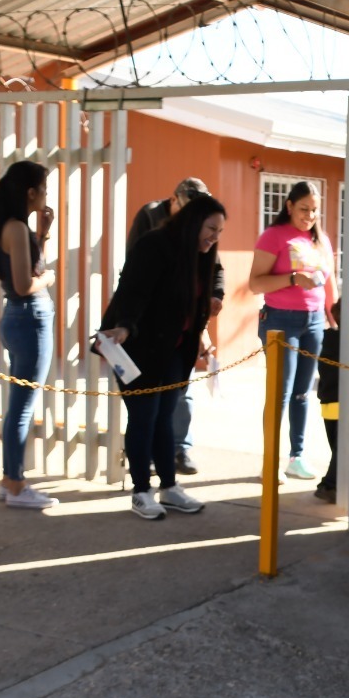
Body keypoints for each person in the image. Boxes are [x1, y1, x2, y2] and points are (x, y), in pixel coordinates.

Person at [98, 195, 224, 520]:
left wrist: (204, 325)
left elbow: (212, 283)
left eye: (219, 231)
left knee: (165, 417)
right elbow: (132, 291)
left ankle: (169, 487)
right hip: (139, 346)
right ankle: (141, 491)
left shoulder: (202, 253)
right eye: (211, 228)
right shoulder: (154, 245)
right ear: (193, 223)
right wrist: (124, 326)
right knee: (144, 418)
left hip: (175, 348)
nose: (214, 237)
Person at [128, 177, 222, 476]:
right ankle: (144, 477)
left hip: (182, 336)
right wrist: (126, 325)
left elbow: (214, 272)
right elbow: (135, 281)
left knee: (179, 396)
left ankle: (177, 457)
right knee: (146, 411)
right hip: (150, 336)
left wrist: (211, 305)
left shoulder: (205, 240)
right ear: (174, 201)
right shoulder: (151, 227)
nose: (212, 236)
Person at [249, 180, 339, 483]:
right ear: (289, 206)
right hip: (280, 321)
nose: (309, 216)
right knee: (280, 393)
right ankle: (270, 461)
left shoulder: (320, 240)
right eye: (304, 209)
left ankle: (296, 457)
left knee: (302, 393)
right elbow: (255, 283)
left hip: (314, 322)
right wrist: (292, 278)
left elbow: (330, 284)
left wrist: (334, 319)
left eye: (314, 210)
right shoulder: (273, 236)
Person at [0, 161, 59, 510]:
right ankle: (16, 485)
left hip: (19, 317)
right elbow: (25, 283)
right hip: (30, 317)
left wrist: (42, 235)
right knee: (22, 407)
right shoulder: (16, 228)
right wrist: (49, 278)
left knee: (19, 404)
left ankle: (10, 480)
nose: (46, 195)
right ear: (31, 192)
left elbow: (26, 268)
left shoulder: (13, 227)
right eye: (44, 188)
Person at [313, 299, 340, 504]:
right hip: (339, 403)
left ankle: (331, 484)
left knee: (337, 448)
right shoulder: (344, 342)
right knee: (341, 449)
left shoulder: (328, 338)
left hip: (328, 402)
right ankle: (329, 485)